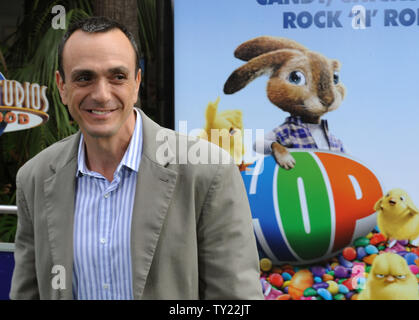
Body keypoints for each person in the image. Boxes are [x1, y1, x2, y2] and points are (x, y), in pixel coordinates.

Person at [9, 16, 263, 300]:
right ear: (62, 86)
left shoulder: (207, 171)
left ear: (137, 82)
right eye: (84, 77)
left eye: (117, 76)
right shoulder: (36, 177)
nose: (102, 95)